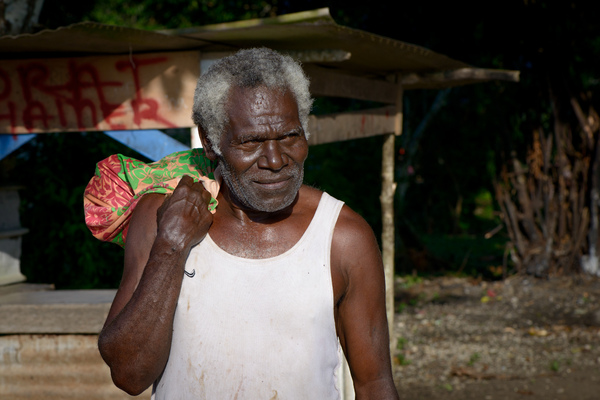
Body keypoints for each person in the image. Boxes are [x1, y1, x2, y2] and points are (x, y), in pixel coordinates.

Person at [97, 47, 399, 400]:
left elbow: (375, 385)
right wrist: (171, 247)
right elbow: (129, 375)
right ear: (210, 142)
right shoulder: (163, 218)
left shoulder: (342, 238)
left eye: (289, 136)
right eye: (251, 141)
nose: (275, 160)